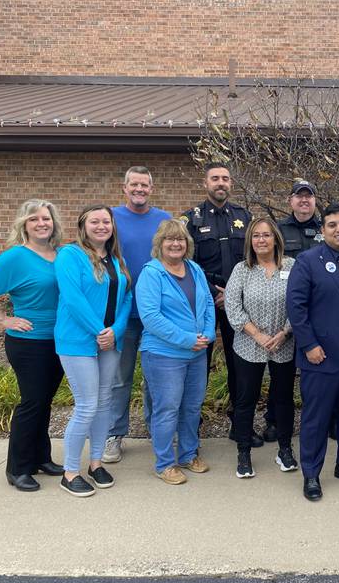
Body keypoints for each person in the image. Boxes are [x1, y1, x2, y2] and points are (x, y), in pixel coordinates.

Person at [0, 200, 65, 492]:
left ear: (54, 223)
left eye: (46, 218)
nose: (41, 223)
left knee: (44, 401)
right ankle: (17, 468)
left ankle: (41, 457)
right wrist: (3, 319)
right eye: (34, 219)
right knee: (32, 402)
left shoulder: (62, 255)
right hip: (29, 343)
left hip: (59, 340)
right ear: (24, 225)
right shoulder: (16, 257)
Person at [286, 203, 339, 501]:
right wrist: (309, 345)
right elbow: (296, 307)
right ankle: (311, 473)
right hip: (321, 355)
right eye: (332, 224)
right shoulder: (308, 261)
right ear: (322, 231)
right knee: (316, 418)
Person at [55, 205, 132, 497]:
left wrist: (116, 331)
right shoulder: (70, 255)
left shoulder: (116, 260)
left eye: (106, 221)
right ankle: (70, 471)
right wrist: (99, 331)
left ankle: (96, 464)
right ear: (83, 226)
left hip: (110, 342)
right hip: (78, 341)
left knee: (104, 404)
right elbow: (72, 298)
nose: (101, 226)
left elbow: (126, 298)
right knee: (86, 405)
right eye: (95, 221)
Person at [135, 219, 215, 485]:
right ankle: (165, 463)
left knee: (192, 407)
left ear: (187, 243)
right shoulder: (151, 273)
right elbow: (150, 316)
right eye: (169, 239)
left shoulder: (194, 269)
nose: (175, 244)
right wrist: (186, 339)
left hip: (196, 353)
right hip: (163, 354)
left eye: (180, 239)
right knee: (167, 409)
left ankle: (188, 454)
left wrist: (207, 334)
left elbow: (208, 306)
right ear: (160, 243)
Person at [182, 162, 254, 444]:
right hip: (204, 302)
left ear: (230, 184)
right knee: (199, 361)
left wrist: (233, 293)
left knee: (241, 364)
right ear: (205, 183)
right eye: (215, 178)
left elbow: (253, 258)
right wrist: (214, 293)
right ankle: (192, 425)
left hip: (238, 301)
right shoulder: (191, 219)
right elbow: (186, 262)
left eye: (225, 178)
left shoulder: (244, 217)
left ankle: (240, 424)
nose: (220, 183)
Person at [103, 166, 171, 464]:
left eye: (144, 184)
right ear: (125, 187)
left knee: (156, 378)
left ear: (151, 189)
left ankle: (158, 430)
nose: (139, 189)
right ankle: (115, 435)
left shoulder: (165, 220)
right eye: (134, 184)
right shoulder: (112, 219)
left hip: (158, 314)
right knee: (121, 378)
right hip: (124, 313)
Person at [225, 217, 297, 478]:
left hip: (283, 345)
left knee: (283, 400)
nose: (261, 240)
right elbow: (232, 306)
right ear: (250, 241)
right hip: (248, 345)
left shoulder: (291, 266)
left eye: (266, 235)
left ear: (275, 238)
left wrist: (285, 332)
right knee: (246, 400)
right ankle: (244, 453)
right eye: (256, 236)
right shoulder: (242, 270)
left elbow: (299, 303)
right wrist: (256, 335)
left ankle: (285, 449)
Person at [262, 180, 322, 442]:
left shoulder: (325, 228)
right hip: (285, 310)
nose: (304, 201)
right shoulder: (279, 230)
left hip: (320, 311)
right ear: (291, 201)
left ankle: (324, 420)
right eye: (299, 197)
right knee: (281, 373)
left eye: (309, 197)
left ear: (315, 201)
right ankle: (275, 421)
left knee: (321, 369)